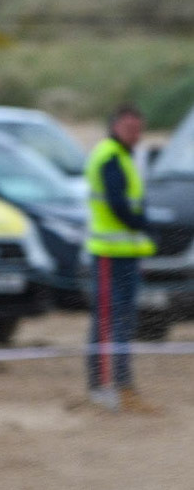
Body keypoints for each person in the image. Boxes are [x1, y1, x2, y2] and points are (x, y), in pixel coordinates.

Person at [83, 104, 159, 413]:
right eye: (130, 129)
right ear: (115, 126)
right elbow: (119, 206)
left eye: (139, 130)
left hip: (126, 255)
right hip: (108, 255)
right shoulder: (110, 156)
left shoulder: (126, 156)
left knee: (124, 323)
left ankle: (123, 386)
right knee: (106, 323)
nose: (135, 135)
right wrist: (145, 225)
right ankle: (102, 389)